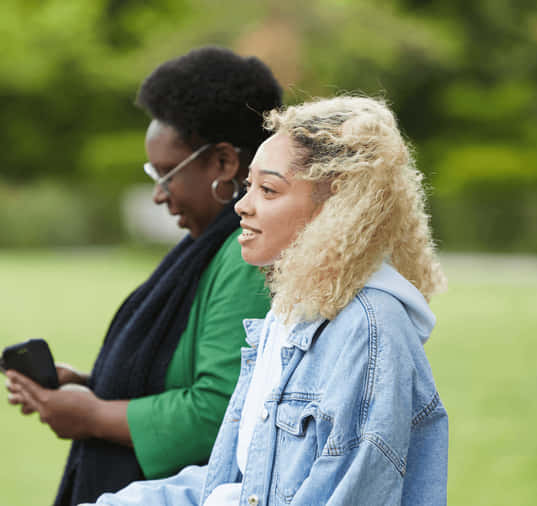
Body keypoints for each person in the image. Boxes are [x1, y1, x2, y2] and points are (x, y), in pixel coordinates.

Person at [88, 95, 449, 505]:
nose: (242, 205)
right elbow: (244, 480)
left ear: (339, 206)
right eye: (248, 187)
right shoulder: (293, 313)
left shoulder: (368, 330)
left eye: (269, 190)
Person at [4, 47, 283, 505]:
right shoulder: (204, 246)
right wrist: (91, 387)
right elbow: (177, 372)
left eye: (166, 173)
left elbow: (220, 413)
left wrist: (94, 416)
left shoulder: (244, 255)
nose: (159, 194)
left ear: (224, 163)